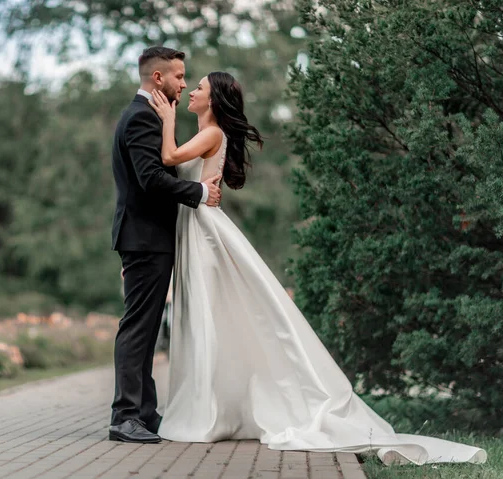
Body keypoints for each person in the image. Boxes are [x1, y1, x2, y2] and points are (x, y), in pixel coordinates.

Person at [147, 72, 487, 465]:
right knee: (209, 314)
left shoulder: (213, 134)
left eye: (200, 87)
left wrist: (166, 119)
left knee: (209, 312)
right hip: (196, 223)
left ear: (215, 99)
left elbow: (169, 158)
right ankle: (213, 405)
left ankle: (206, 411)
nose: (192, 91)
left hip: (204, 230)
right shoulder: (209, 134)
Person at [109, 46, 222, 444]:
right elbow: (150, 178)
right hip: (144, 239)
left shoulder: (146, 115)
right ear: (158, 79)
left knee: (147, 326)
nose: (184, 83)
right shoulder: (141, 117)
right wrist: (198, 192)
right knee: (138, 328)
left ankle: (143, 412)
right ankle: (125, 416)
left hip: (147, 238)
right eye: (179, 76)